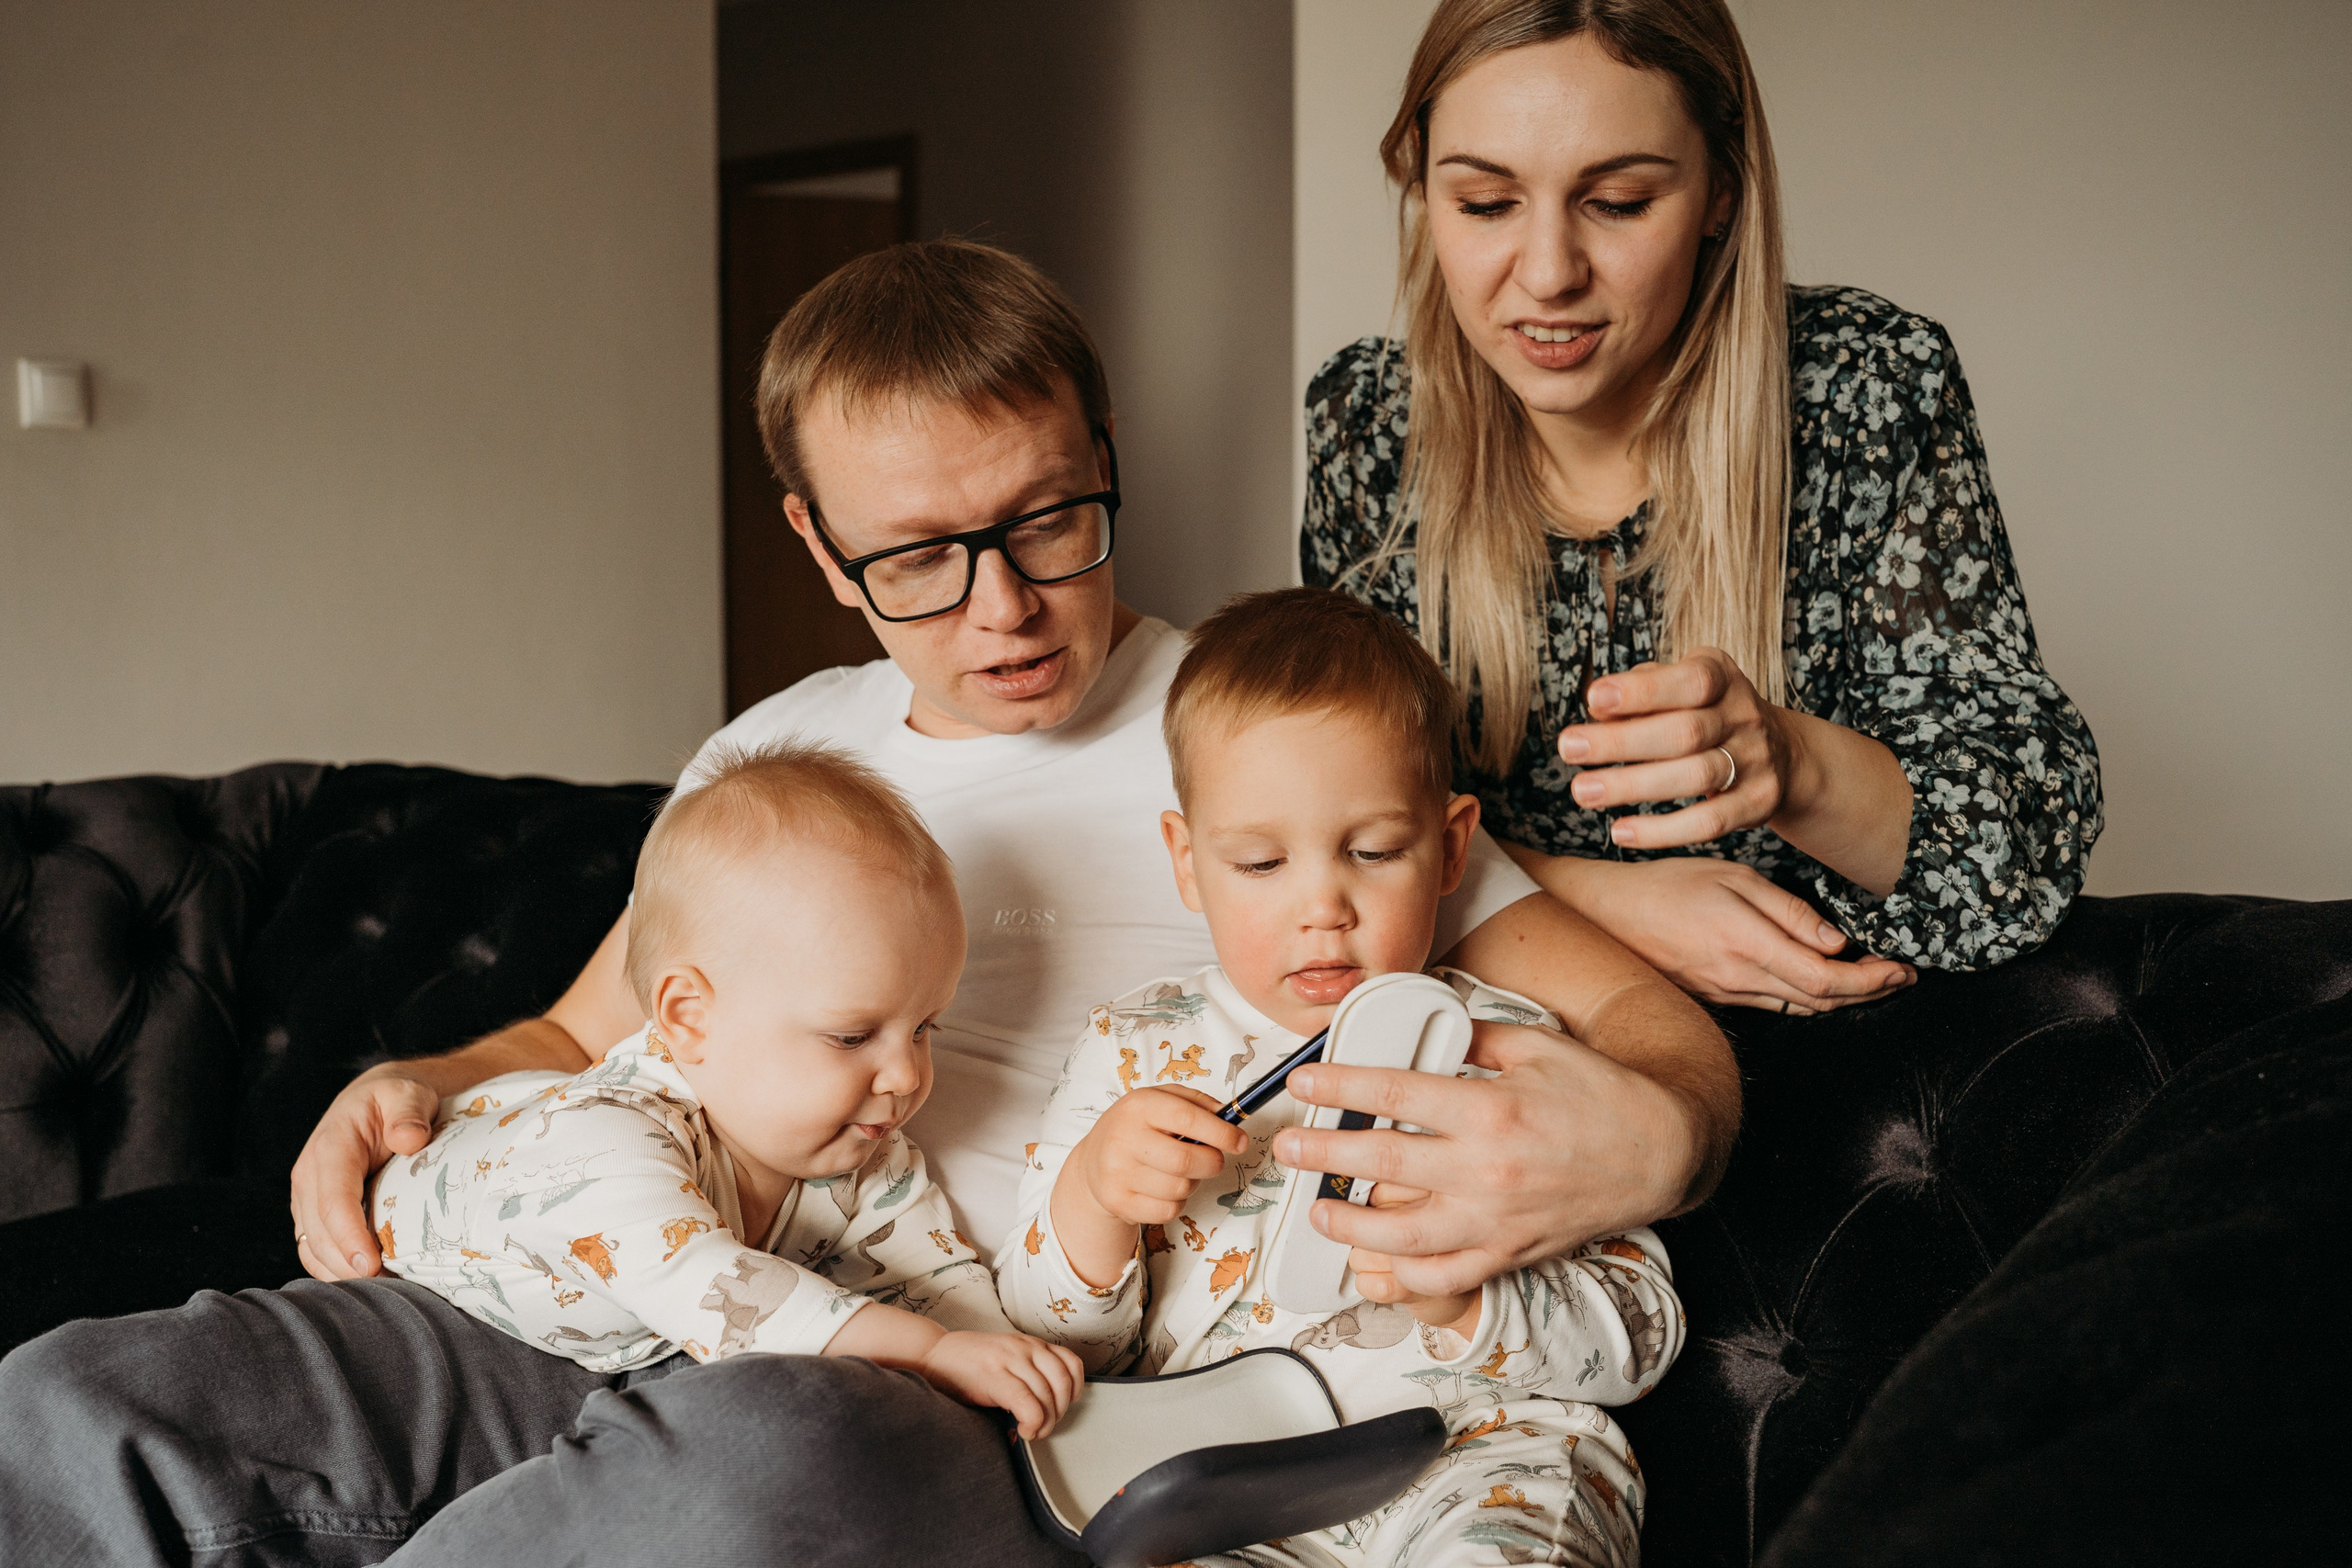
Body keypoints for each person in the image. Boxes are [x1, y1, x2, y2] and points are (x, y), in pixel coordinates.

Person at [0, 241, 1732, 1567]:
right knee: (90, 1402)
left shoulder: (1268, 750)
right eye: (916, 557)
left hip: (956, 1387)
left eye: (1053, 520)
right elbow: (590, 1026)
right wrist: (424, 1080)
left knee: (756, 1473)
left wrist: (1652, 1143)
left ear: (1106, 457)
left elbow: (1648, 1026)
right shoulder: (782, 743)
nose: (1005, 608)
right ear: (822, 550)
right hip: (640, 1280)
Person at [1303, 0, 2104, 1018]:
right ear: (1421, 186)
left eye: (1620, 201)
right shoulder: (1369, 424)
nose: (1547, 275)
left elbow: (2017, 855)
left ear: (1720, 193)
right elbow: (1320, 827)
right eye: (1484, 204)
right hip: (1517, 1034)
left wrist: (1792, 764)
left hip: (1844, 1046)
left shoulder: (1862, 387)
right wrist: (1599, 901)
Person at [999, 588, 1681, 1568]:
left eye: (1371, 851)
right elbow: (1045, 1344)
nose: (1322, 906)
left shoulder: (1523, 1058)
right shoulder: (1130, 1051)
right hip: (1224, 1491)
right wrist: (1096, 1199)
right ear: (1187, 865)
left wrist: (1469, 1302)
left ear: (1449, 848)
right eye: (1260, 862)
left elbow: (1642, 1337)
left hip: (1478, 1455)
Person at [369, 743, 1081, 1437]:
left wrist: (1009, 1366)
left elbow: (944, 1287)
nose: (906, 1076)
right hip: (422, 1280)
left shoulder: (863, 1156)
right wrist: (930, 1354)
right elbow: (719, 1289)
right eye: (852, 1037)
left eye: (925, 1026)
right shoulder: (606, 1145)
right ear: (690, 1018)